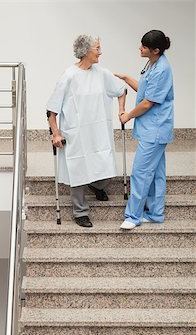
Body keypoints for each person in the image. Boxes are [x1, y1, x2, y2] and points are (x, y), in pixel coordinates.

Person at [47, 34, 126, 227]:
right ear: (85, 51)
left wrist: (122, 110)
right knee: (78, 170)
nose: (101, 52)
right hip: (76, 134)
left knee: (105, 168)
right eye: (97, 48)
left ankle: (96, 185)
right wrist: (56, 134)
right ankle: (80, 212)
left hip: (99, 132)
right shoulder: (69, 76)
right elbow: (52, 110)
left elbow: (121, 89)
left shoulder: (102, 73)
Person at [115, 30, 174, 230]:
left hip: (155, 130)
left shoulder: (162, 69)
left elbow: (147, 103)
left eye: (143, 46)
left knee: (140, 172)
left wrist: (127, 115)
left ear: (155, 50)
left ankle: (133, 216)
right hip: (154, 128)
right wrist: (125, 77)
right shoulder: (154, 63)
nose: (140, 48)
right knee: (156, 173)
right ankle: (156, 214)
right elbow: (144, 89)